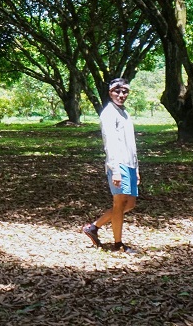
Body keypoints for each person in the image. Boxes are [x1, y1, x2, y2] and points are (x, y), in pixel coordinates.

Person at [81, 77, 139, 254]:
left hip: (130, 164)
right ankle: (118, 244)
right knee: (119, 204)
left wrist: (136, 168)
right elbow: (110, 143)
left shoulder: (124, 113)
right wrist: (115, 171)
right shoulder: (108, 113)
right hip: (118, 164)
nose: (121, 95)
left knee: (129, 204)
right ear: (110, 92)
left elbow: (131, 143)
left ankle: (93, 227)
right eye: (117, 91)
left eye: (125, 91)